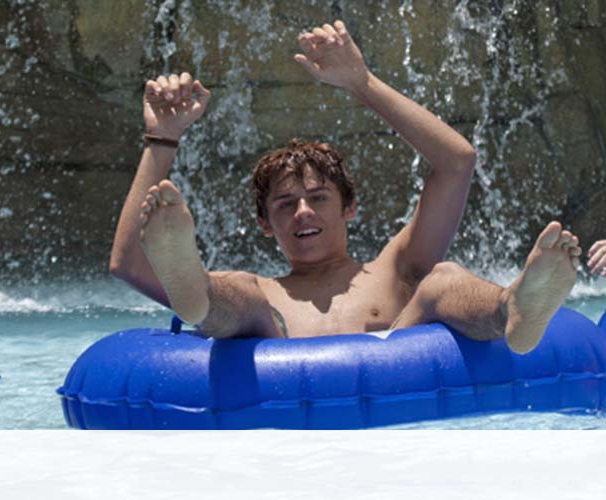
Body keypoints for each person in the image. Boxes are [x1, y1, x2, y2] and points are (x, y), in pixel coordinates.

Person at [110, 20, 580, 354]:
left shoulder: (396, 268)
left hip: (398, 381)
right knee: (239, 292)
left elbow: (456, 162)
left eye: (318, 199)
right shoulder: (263, 294)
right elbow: (128, 264)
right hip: (273, 365)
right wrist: (162, 138)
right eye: (284, 204)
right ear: (264, 224)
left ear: (350, 208)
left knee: (443, 278)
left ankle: (512, 310)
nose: (303, 213)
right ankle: (194, 292)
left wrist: (362, 83)